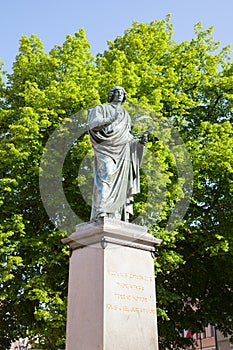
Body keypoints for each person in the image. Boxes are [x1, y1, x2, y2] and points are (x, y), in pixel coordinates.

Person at [88, 86, 147, 222]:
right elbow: (93, 124)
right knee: (106, 175)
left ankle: (116, 215)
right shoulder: (101, 108)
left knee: (123, 183)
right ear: (112, 94)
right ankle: (101, 211)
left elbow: (128, 138)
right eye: (117, 92)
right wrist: (111, 118)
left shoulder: (126, 115)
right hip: (105, 148)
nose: (120, 94)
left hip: (123, 151)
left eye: (122, 92)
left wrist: (140, 143)